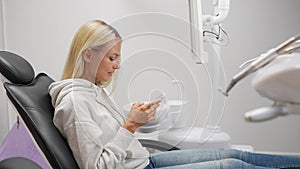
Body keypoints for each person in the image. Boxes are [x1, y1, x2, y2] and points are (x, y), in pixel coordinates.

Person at [48, 20, 300, 169]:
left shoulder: (93, 92)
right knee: (234, 166)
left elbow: (109, 136)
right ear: (88, 55)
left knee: (234, 154)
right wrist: (130, 125)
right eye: (112, 57)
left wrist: (137, 118)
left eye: (118, 57)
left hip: (145, 160)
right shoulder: (74, 102)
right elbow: (98, 166)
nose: (117, 65)